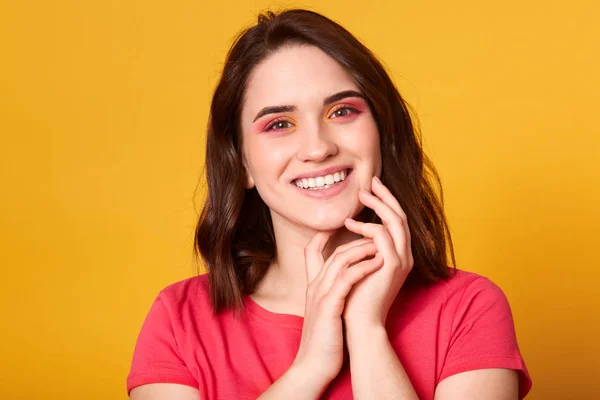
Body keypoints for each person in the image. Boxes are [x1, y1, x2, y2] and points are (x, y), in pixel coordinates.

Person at [127, 8, 532, 400]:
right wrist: (311, 368)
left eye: (342, 111)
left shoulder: (470, 308)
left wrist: (367, 330)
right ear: (243, 162)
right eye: (279, 124)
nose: (318, 148)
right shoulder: (179, 321)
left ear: (381, 135)